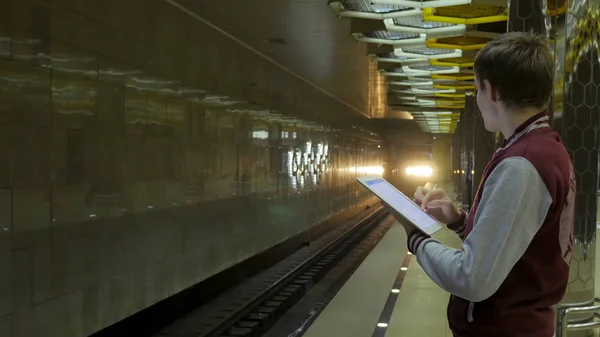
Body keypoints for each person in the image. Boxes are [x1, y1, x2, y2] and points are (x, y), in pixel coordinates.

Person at [391, 31, 575, 337]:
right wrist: (459, 220)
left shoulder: (522, 164)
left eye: (476, 89)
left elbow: (472, 279)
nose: (477, 100)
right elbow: (516, 243)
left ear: (490, 91)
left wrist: (415, 235)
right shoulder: (543, 149)